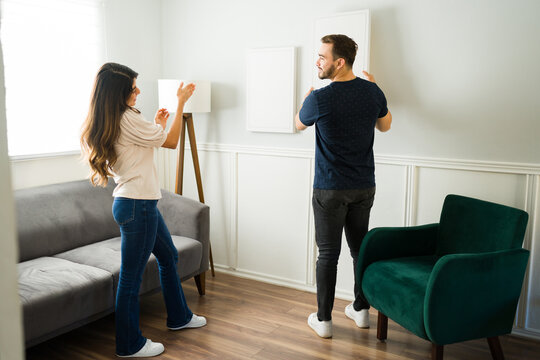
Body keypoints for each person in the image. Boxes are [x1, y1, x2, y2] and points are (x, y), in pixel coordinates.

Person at [80, 63, 206, 357]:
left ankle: (179, 317)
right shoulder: (126, 118)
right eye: (133, 88)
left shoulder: (114, 118)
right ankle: (129, 344)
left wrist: (157, 125)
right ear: (118, 92)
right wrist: (181, 101)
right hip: (138, 207)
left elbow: (138, 148)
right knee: (131, 278)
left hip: (134, 204)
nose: (138, 91)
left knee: (168, 255)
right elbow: (173, 142)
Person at [295, 34, 392, 338]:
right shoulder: (372, 91)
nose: (317, 62)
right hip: (364, 186)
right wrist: (374, 89)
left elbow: (298, 123)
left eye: (322, 57)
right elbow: (385, 125)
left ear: (339, 62)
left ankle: (324, 320)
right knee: (359, 249)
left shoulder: (319, 98)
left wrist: (305, 101)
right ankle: (361, 310)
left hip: (330, 189)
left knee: (328, 253)